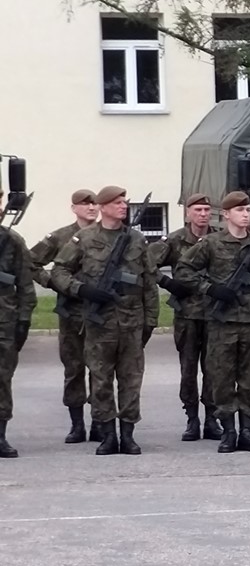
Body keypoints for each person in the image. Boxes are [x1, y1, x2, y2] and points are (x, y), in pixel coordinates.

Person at [50, 186, 158, 455]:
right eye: (118, 202)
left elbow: (149, 283)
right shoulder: (83, 239)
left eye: (125, 202)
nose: (124, 206)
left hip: (132, 321)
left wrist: (150, 321)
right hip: (99, 324)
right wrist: (81, 289)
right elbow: (59, 271)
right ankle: (107, 434)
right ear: (103, 206)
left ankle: (128, 435)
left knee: (131, 381)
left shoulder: (136, 239)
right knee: (100, 380)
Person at [178, 190, 250, 452]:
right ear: (227, 214)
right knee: (221, 378)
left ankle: (247, 431)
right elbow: (183, 271)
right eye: (241, 210)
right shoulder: (210, 244)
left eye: (248, 210)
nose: (246, 214)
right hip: (221, 323)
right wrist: (210, 288)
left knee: (249, 380)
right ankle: (228, 431)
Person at [28, 189, 97, 444]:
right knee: (74, 368)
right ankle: (77, 424)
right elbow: (31, 261)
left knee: (101, 370)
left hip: (101, 311)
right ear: (74, 208)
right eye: (85, 203)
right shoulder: (60, 237)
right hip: (71, 312)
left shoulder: (107, 235)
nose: (91, 207)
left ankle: (101, 422)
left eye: (94, 203)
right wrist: (52, 282)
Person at [152, 194, 218, 442]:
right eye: (198, 209)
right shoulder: (175, 240)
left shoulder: (218, 238)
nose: (203, 214)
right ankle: (192, 419)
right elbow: (146, 263)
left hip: (214, 313)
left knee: (214, 369)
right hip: (187, 314)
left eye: (206, 210)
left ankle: (212, 419)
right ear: (188, 213)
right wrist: (167, 283)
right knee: (188, 369)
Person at [0, 217, 35, 457]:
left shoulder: (11, 240)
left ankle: (0, 436)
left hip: (4, 321)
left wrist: (24, 320)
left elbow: (25, 284)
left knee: (2, 378)